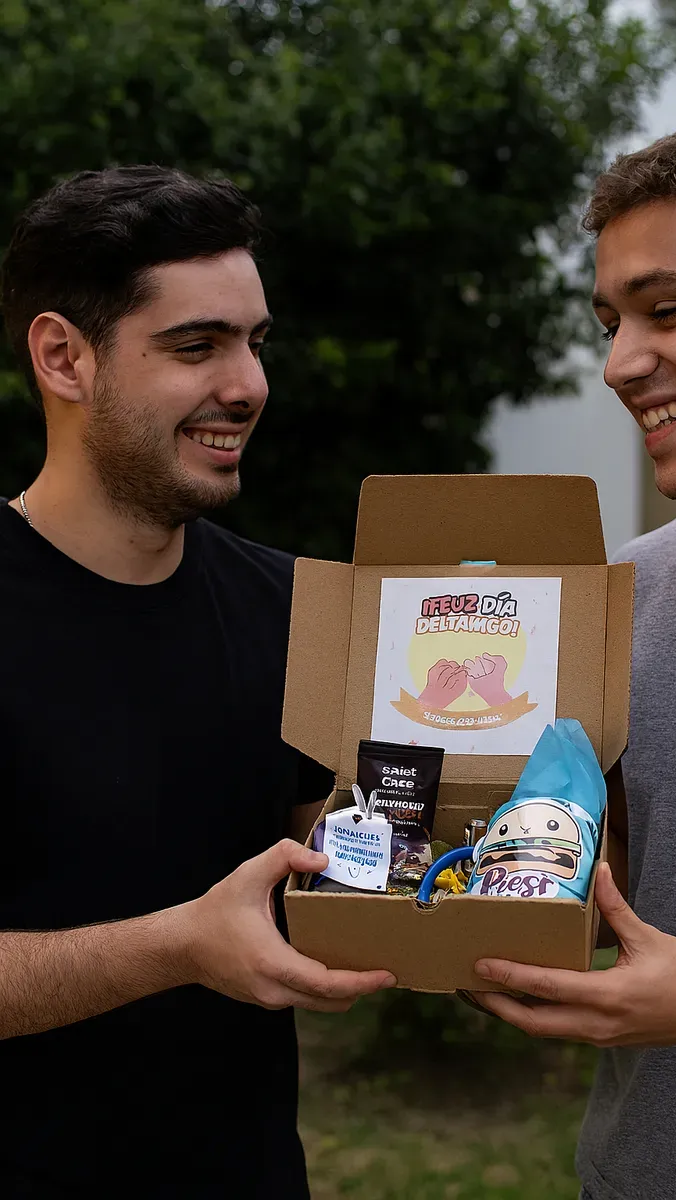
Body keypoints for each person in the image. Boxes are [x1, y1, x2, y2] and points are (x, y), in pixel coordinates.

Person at [0, 166, 395, 1199]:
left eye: (254, 342)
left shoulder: (299, 607)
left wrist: (506, 854)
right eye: (196, 345)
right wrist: (176, 946)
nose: (248, 385)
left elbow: (351, 873)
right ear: (63, 357)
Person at [471, 110, 676, 1199]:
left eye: (665, 311)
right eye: (609, 319)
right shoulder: (613, 593)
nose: (618, 363)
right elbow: (598, 891)